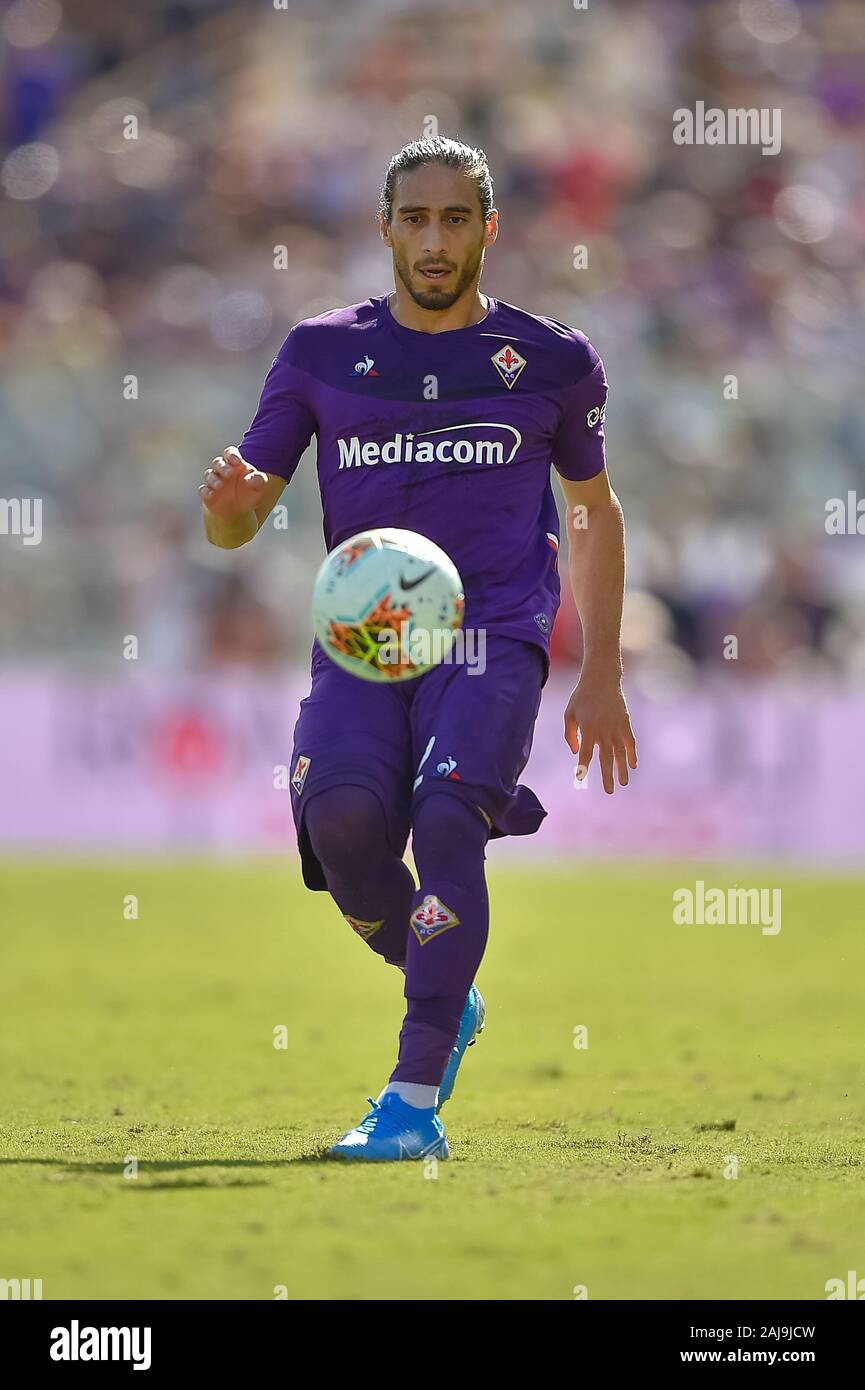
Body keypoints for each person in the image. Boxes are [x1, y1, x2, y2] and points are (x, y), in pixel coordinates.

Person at [199, 137, 637, 1161]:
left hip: (491, 633)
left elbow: (593, 512)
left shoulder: (551, 361)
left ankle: (409, 1099)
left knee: (446, 821)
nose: (432, 240)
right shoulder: (318, 352)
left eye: (453, 219)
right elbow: (239, 516)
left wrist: (603, 670)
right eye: (414, 219)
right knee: (345, 826)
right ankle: (447, 988)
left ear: (489, 227)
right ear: (384, 227)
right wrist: (225, 513)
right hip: (362, 639)